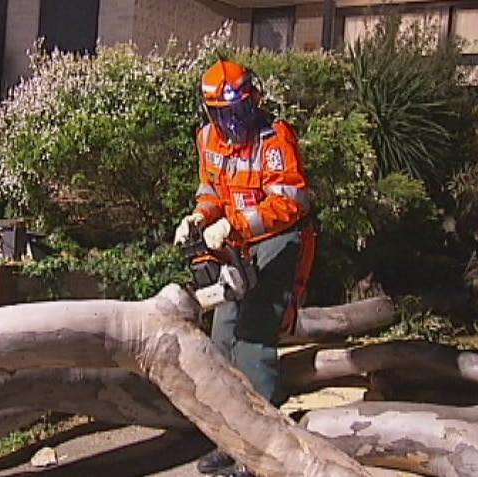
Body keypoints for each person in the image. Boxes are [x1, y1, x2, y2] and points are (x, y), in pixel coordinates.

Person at [173, 59, 316, 477]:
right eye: (226, 113)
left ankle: (262, 452)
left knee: (253, 336)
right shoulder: (206, 139)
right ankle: (230, 440)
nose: (236, 121)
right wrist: (199, 218)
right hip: (233, 242)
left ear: (254, 101)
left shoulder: (275, 137)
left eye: (241, 110)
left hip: (278, 239)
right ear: (211, 112)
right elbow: (211, 189)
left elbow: (292, 201)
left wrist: (234, 225)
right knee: (221, 340)